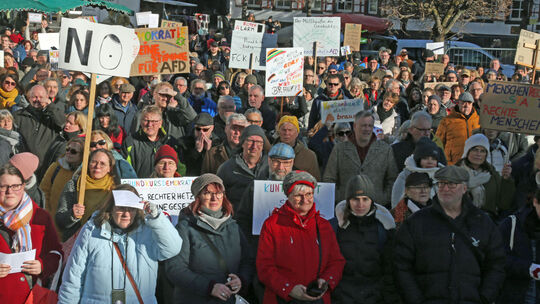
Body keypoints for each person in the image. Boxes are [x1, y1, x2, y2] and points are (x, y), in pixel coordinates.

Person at [393, 166, 506, 304]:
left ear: (464, 188)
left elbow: (496, 264)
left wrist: (485, 297)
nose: (445, 189)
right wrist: (415, 299)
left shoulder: (482, 222)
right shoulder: (417, 222)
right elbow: (401, 265)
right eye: (441, 184)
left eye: (452, 184)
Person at [58, 184, 182, 303]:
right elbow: (73, 277)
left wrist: (157, 218)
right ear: (111, 208)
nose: (126, 214)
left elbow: (173, 248)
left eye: (131, 209)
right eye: (121, 208)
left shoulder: (148, 230)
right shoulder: (91, 230)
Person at [257, 170, 346, 304]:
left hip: (317, 300)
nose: (305, 200)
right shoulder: (272, 225)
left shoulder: (324, 226)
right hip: (282, 299)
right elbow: (264, 266)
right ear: (288, 196)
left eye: (309, 194)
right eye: (299, 195)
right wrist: (289, 289)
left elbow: (336, 261)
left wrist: (326, 280)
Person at [165, 174, 253, 303]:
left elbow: (248, 261)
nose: (214, 198)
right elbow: (175, 269)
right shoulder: (185, 228)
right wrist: (209, 287)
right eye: (207, 193)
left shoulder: (233, 226)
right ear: (198, 197)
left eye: (218, 193)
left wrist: (241, 279)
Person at [0, 162, 62, 304]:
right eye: (3, 186)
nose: (10, 191)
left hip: (32, 297)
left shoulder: (40, 217)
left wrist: (43, 265)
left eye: (15, 186)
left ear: (23, 187)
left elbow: (55, 253)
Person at [333, 174, 399, 304]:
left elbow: (389, 271)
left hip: (375, 296)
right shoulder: (336, 227)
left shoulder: (384, 229)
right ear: (348, 201)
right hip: (341, 296)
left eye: (365, 199)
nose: (360, 204)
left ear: (372, 201)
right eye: (355, 199)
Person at [324, 111, 398, 205]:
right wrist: (339, 197)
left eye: (370, 126)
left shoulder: (385, 149)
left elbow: (393, 179)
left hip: (376, 205)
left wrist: (383, 198)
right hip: (346, 206)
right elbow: (329, 178)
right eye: (363, 125)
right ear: (355, 126)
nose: (367, 129)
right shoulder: (339, 149)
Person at [56, 149, 118, 241]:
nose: (97, 166)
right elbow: (60, 220)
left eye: (102, 164)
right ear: (88, 164)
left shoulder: (116, 189)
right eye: (94, 162)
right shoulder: (74, 184)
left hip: (104, 242)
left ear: (110, 168)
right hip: (76, 241)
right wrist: (72, 215)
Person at [455, 133, 514, 219]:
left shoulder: (492, 174)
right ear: (467, 151)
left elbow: (504, 204)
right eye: (475, 149)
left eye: (483, 151)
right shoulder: (455, 173)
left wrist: (506, 180)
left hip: (486, 221)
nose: (478, 154)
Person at [498, 189, 540, 304]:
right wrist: (529, 268)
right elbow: (497, 259)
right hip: (516, 295)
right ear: (535, 202)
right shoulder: (511, 224)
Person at [13, 85, 65, 169]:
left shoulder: (52, 116)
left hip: (46, 164)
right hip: (23, 164)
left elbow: (62, 122)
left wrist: (50, 106)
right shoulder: (18, 115)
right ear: (29, 97)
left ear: (47, 98)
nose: (37, 100)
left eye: (41, 97)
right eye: (34, 97)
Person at [217, 125, 268, 208]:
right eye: (250, 141)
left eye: (259, 142)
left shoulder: (271, 167)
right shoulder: (227, 168)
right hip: (236, 218)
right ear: (242, 143)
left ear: (263, 145)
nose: (254, 146)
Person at [123, 105, 178, 178]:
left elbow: (179, 169)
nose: (149, 125)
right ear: (141, 122)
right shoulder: (130, 142)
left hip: (166, 187)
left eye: (154, 121)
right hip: (140, 187)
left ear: (160, 123)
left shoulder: (170, 142)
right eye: (146, 120)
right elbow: (126, 171)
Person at [40, 137, 84, 226]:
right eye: (67, 149)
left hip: (71, 223)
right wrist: (48, 215)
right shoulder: (56, 167)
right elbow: (44, 191)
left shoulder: (84, 174)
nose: (68, 152)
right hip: (51, 220)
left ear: (82, 155)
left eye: (73, 151)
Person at [391, 137, 445, 208]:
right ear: (418, 160)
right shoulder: (406, 175)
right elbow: (396, 200)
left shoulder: (442, 176)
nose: (430, 162)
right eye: (425, 158)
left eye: (433, 159)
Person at [436, 92, 481, 165]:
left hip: (474, 164)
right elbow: (438, 143)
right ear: (458, 103)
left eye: (469, 103)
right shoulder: (446, 121)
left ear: (472, 104)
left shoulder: (479, 120)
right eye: (463, 102)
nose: (466, 105)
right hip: (453, 164)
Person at [275, 115, 321, 180]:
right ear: (278, 132)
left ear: (297, 133)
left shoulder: (309, 156)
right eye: (284, 130)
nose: (287, 133)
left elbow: (316, 181)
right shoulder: (269, 152)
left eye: (290, 130)